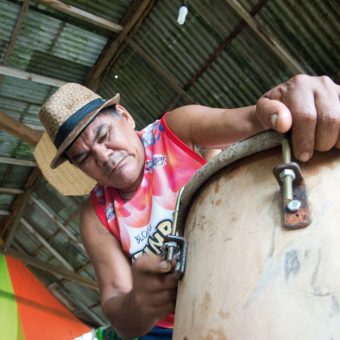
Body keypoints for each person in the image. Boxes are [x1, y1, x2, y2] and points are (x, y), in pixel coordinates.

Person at [38, 75, 340, 339]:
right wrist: (139, 302)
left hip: (245, 274)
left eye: (104, 135)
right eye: (84, 158)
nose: (103, 156)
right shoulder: (96, 217)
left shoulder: (176, 131)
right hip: (173, 326)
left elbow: (255, 120)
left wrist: (290, 101)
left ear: (126, 117)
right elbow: (120, 315)